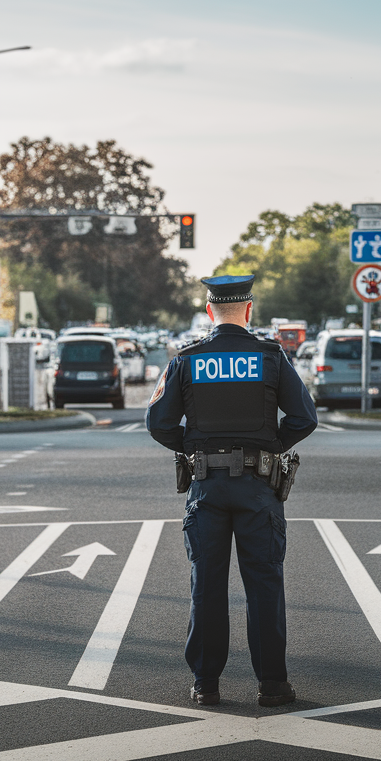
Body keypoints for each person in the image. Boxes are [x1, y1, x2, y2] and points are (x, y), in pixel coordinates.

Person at [146, 274, 317, 707]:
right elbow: (304, 417)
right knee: (264, 584)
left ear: (209, 311)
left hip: (206, 489)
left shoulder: (187, 359)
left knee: (206, 586)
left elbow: (159, 423)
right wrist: (269, 446)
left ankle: (206, 684)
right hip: (259, 487)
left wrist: (195, 448)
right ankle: (272, 686)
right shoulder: (271, 356)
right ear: (249, 309)